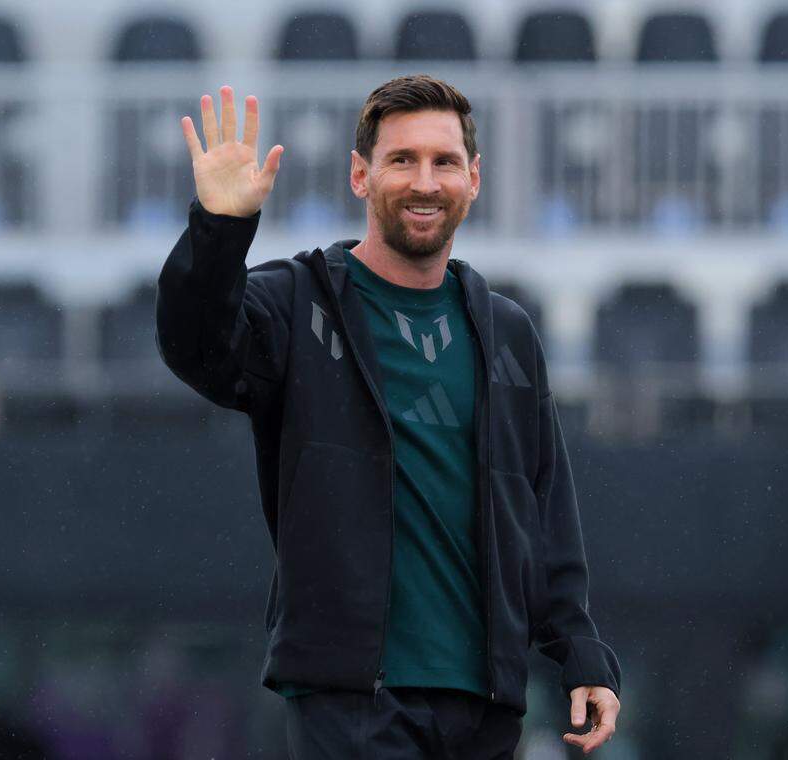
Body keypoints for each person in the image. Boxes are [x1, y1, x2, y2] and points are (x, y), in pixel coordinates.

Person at [156, 74, 622, 758]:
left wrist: (579, 650)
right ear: (359, 175)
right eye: (401, 160)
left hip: (484, 705)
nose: (425, 181)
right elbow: (195, 347)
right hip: (350, 702)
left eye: (444, 162)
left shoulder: (508, 332)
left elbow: (545, 508)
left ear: (474, 179)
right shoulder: (296, 304)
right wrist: (221, 229)